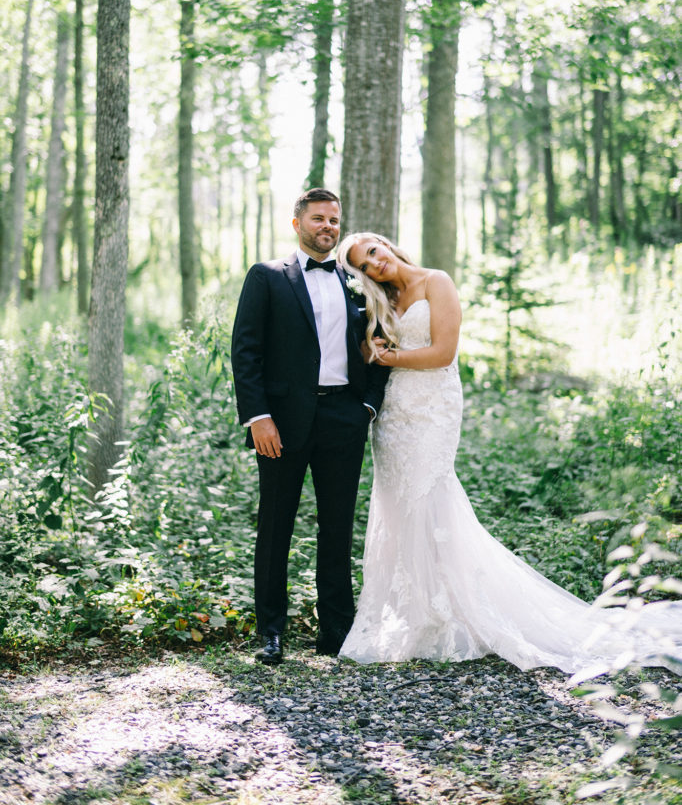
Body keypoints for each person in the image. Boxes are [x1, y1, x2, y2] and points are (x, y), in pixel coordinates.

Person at [335, 231, 682, 677]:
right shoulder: (382, 301)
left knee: (430, 496)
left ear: (387, 244)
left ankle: (457, 612)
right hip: (395, 414)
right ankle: (416, 615)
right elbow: (371, 350)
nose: (373, 266)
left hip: (433, 406)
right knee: (399, 504)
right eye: (363, 267)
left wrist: (387, 358)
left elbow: (443, 354)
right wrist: (374, 351)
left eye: (373, 253)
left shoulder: (435, 281)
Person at [231, 191, 390, 665]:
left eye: (334, 220)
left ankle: (336, 632)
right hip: (280, 424)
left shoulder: (358, 281)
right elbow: (246, 351)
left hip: (343, 417)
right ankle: (271, 633)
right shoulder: (267, 277)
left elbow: (380, 341)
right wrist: (258, 417)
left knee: (337, 528)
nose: (328, 226)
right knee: (276, 525)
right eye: (318, 218)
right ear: (297, 222)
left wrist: (367, 405)